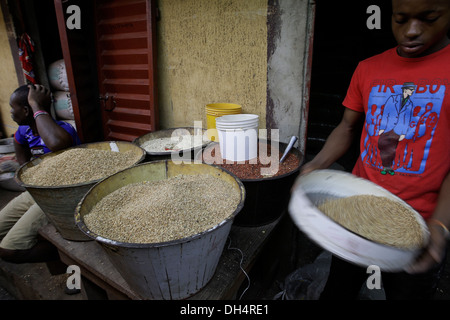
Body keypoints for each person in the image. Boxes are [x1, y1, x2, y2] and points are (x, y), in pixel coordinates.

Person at [297, 0, 450, 299]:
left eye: (429, 18)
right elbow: (347, 127)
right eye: (400, 19)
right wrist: (317, 165)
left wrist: (441, 226)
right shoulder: (369, 68)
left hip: (419, 225)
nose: (411, 31)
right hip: (359, 210)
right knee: (338, 289)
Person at [0, 84, 81, 263]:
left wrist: (36, 105)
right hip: (35, 191)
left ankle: (68, 254)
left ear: (27, 110)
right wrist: (28, 172)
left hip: (57, 197)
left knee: (8, 251)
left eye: (13, 108)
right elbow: (19, 146)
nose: (11, 113)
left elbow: (56, 142)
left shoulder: (63, 130)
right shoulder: (24, 130)